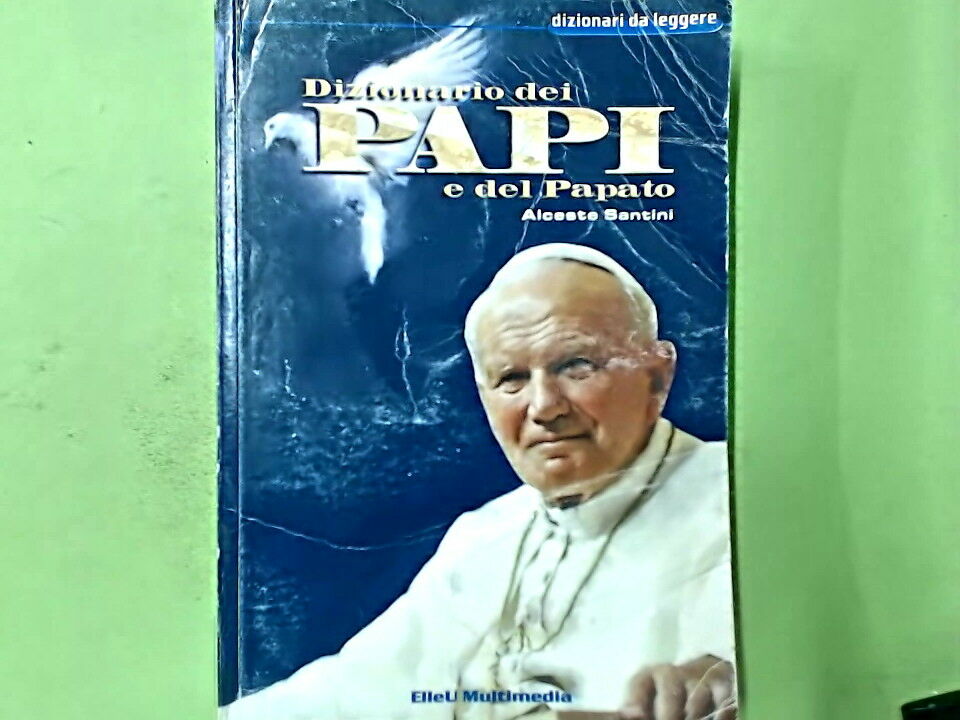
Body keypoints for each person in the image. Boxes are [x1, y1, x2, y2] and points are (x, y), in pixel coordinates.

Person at [223, 244, 737, 720]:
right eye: (512, 379)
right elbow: (354, 690)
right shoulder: (484, 535)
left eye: (576, 366)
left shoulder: (738, 501)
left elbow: (739, 671)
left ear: (657, 375)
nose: (544, 408)